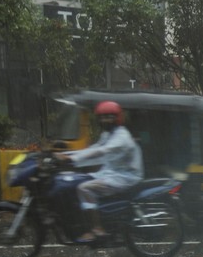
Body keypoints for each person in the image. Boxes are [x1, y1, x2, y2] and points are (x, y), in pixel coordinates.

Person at [59, 100, 143, 242]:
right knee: (75, 179)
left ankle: (97, 228)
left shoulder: (121, 136)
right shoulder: (108, 134)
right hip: (111, 172)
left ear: (117, 118)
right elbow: (93, 149)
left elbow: (101, 152)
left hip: (125, 177)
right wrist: (68, 154)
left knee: (84, 188)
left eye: (109, 116)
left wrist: (71, 160)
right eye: (102, 117)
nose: (104, 120)